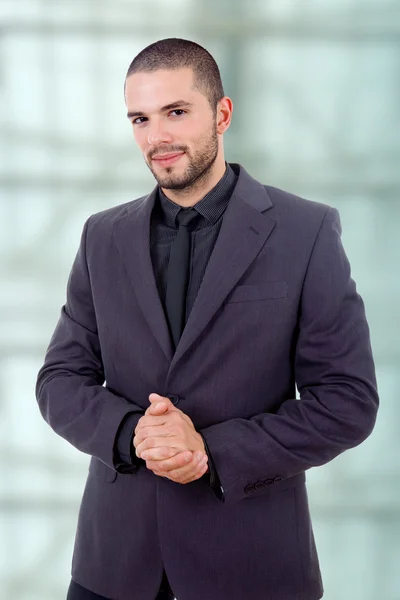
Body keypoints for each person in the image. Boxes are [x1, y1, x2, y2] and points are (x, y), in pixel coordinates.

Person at [35, 37, 379, 600]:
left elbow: (347, 400)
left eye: (175, 112)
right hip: (113, 568)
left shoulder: (305, 231)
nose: (156, 137)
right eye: (140, 119)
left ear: (221, 114)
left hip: (254, 569)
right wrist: (132, 433)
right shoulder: (103, 236)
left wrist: (210, 453)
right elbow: (58, 380)